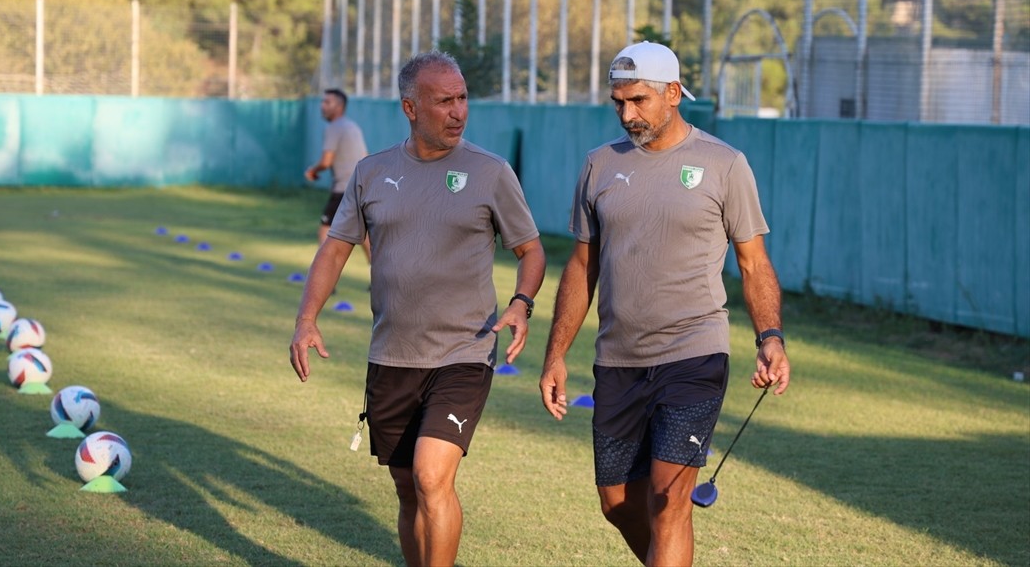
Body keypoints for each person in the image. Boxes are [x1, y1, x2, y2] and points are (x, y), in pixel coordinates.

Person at [538, 41, 790, 567]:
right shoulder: (599, 166)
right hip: (618, 360)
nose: (627, 114)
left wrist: (770, 337)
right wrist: (556, 353)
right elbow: (582, 267)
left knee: (669, 500)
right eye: (618, 103)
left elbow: (754, 263)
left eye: (638, 101)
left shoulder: (724, 164)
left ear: (673, 93)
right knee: (617, 501)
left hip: (694, 354)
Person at [290, 51, 546, 567]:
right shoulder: (371, 172)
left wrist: (521, 302)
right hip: (392, 353)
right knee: (408, 488)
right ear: (410, 107)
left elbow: (531, 250)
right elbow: (336, 248)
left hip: (464, 351)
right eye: (443, 101)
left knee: (432, 475)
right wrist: (306, 318)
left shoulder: (490, 172)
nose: (458, 112)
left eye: (462, 99)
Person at [306, 88, 371, 262]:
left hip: (343, 190)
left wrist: (313, 171)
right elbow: (366, 157)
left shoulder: (334, 127)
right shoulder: (353, 127)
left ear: (339, 106)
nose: (322, 106)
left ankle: (325, 282)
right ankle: (383, 277)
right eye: (322, 101)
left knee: (325, 230)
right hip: (360, 188)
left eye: (327, 102)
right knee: (363, 235)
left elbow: (326, 161)